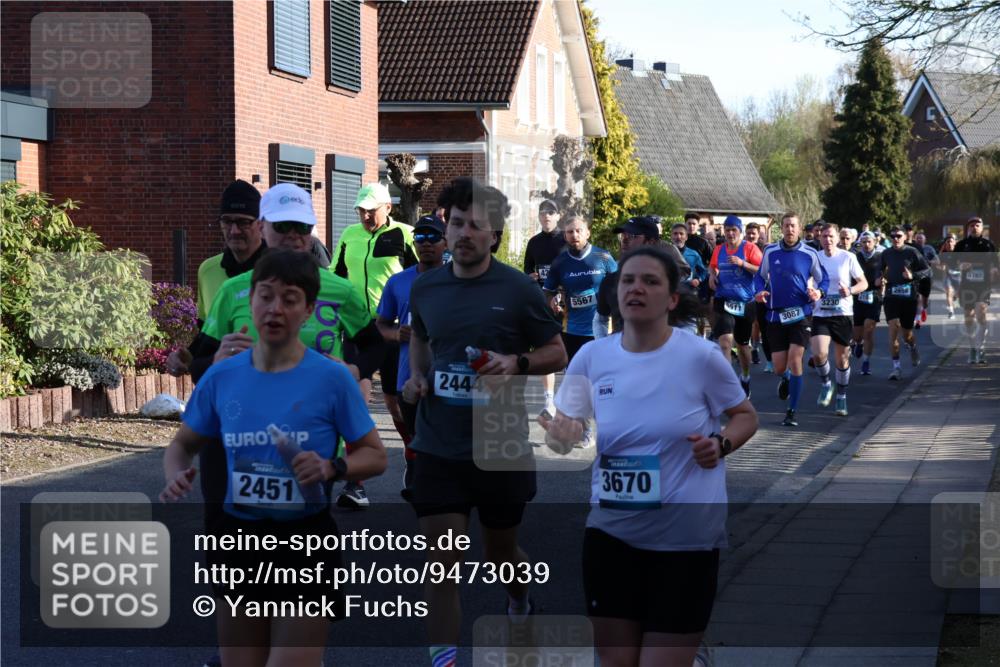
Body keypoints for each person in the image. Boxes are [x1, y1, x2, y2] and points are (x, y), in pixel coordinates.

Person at [160, 249, 387, 667]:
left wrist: (332, 467)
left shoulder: (332, 378)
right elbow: (182, 444)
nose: (275, 309)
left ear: (310, 310)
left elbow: (375, 455)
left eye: (290, 298)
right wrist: (176, 474)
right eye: (265, 296)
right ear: (250, 302)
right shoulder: (222, 376)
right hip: (239, 540)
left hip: (305, 541)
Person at [540, 244, 758, 667]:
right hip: (611, 534)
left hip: (685, 538)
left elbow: (745, 416)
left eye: (650, 281)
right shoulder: (592, 357)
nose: (636, 288)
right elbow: (567, 432)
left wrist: (722, 444)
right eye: (628, 280)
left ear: (672, 299)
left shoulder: (701, 357)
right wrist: (562, 435)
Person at [402, 177, 566, 667]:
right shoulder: (426, 287)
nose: (463, 233)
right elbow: (422, 339)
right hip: (438, 444)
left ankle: (519, 597)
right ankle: (445, 660)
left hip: (500, 445)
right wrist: (415, 377)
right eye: (456, 223)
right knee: (442, 564)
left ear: (494, 235)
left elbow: (556, 351)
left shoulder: (517, 289)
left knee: (500, 552)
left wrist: (516, 363)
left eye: (476, 225)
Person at [334, 182, 417, 507]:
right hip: (359, 328)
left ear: (388, 208)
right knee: (356, 398)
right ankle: (355, 484)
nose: (366, 215)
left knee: (396, 402)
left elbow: (422, 275)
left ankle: (413, 452)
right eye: (361, 209)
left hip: (396, 328)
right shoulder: (349, 235)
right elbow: (336, 275)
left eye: (372, 209)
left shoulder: (406, 235)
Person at [376, 215, 447, 499]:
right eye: (420, 238)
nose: (426, 243)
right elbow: (381, 324)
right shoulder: (397, 282)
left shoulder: (457, 280)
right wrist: (396, 334)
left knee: (443, 439)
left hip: (447, 374)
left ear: (445, 242)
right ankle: (421, 481)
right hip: (409, 375)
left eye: (433, 238)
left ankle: (435, 491)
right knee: (419, 437)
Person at [166, 180, 265, 380]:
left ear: (260, 224)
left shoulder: (278, 270)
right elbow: (207, 334)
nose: (234, 230)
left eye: (243, 222)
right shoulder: (208, 270)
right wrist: (185, 358)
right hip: (223, 388)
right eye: (227, 221)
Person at [753, 212, 829, 427]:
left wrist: (819, 293)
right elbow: (760, 276)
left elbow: (824, 279)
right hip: (776, 314)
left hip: (801, 314)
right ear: (782, 228)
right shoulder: (770, 251)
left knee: (796, 359)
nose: (789, 229)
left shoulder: (809, 253)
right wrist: (759, 291)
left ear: (799, 227)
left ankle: (792, 411)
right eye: (786, 226)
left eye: (793, 226)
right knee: (779, 367)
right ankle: (785, 378)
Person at [595, 215, 687, 337]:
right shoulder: (610, 281)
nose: (625, 240)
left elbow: (687, 322)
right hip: (621, 352)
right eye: (622, 236)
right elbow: (600, 320)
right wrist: (604, 346)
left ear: (651, 242)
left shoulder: (666, 283)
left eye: (632, 236)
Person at [811, 223, 868, 416]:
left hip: (843, 313)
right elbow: (808, 280)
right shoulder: (814, 258)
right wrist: (810, 291)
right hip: (820, 313)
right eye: (824, 236)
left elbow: (864, 283)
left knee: (842, 360)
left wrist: (850, 290)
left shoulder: (848, 257)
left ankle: (841, 397)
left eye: (831, 236)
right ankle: (827, 384)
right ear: (819, 238)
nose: (827, 240)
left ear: (837, 238)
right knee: (818, 354)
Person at [544, 216, 618, 362]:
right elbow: (548, 290)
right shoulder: (559, 262)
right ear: (565, 236)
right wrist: (551, 301)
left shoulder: (603, 257)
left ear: (587, 233)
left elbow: (620, 285)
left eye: (579, 231)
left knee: (603, 377)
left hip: (603, 329)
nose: (574, 235)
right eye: (570, 232)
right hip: (572, 330)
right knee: (575, 378)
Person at [708, 215, 762, 397]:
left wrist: (743, 263)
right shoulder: (719, 249)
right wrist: (712, 275)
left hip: (745, 303)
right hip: (723, 299)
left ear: (740, 231)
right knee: (724, 341)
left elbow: (762, 271)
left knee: (742, 347)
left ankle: (745, 377)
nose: (730, 233)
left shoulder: (750, 248)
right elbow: (713, 266)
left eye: (734, 230)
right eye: (727, 230)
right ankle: (729, 384)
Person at [524, 198, 565, 415]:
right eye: (542, 212)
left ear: (558, 215)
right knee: (545, 350)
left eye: (551, 212)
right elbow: (527, 271)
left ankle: (572, 404)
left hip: (566, 304)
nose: (546, 216)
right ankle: (549, 401)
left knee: (570, 357)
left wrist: (562, 294)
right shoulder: (534, 242)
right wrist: (530, 277)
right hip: (543, 302)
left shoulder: (566, 239)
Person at [878, 226, 931, 380]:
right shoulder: (886, 253)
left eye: (898, 235)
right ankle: (896, 368)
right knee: (893, 328)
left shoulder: (912, 252)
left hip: (909, 298)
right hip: (891, 297)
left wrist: (912, 276)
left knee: (907, 334)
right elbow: (879, 270)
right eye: (892, 236)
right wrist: (878, 278)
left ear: (904, 237)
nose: (895, 238)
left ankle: (912, 347)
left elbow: (927, 271)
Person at [954, 216, 1000, 364]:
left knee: (981, 314)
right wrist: (959, 266)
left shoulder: (989, 245)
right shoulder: (961, 245)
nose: (974, 227)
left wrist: (994, 270)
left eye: (977, 225)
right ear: (968, 228)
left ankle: (982, 347)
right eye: (972, 225)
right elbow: (952, 263)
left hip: (983, 286)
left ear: (982, 228)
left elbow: (996, 265)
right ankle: (973, 348)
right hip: (967, 286)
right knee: (969, 317)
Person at [852, 231, 884, 376]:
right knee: (858, 335)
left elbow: (887, 274)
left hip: (874, 297)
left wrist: (883, 282)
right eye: (863, 241)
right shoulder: (855, 257)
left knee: (869, 331)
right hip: (858, 298)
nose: (866, 244)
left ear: (874, 242)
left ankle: (866, 362)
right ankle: (858, 343)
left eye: (869, 241)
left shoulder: (880, 257)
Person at [745, 222, 771, 368]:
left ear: (758, 234)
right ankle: (747, 346)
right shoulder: (740, 248)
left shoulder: (765, 249)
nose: (751, 236)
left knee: (757, 323)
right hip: (744, 290)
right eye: (748, 233)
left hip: (760, 290)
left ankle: (755, 348)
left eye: (753, 233)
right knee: (745, 322)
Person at [912, 232, 939, 326]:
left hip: (927, 276)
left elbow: (937, 261)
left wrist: (929, 261)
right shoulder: (912, 248)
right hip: (916, 276)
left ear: (925, 240)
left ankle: (924, 309)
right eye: (917, 238)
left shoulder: (929, 249)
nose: (919, 240)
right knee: (918, 297)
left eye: (921, 238)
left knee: (925, 299)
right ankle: (918, 319)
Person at [939, 234, 960, 319]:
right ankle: (951, 311)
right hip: (948, 276)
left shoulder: (959, 252)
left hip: (959, 275)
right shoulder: (943, 253)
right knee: (948, 292)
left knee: (958, 294)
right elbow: (940, 263)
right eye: (948, 242)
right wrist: (942, 267)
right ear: (945, 244)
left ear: (955, 242)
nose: (950, 243)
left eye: (951, 241)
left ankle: (956, 296)